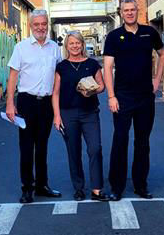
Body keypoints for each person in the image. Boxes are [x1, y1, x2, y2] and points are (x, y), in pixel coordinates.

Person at [103, 0, 164, 201]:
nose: (129, 13)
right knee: (120, 140)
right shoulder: (114, 36)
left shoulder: (149, 32)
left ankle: (141, 185)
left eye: (132, 9)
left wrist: (157, 80)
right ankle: (116, 187)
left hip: (145, 97)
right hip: (122, 97)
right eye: (125, 10)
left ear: (137, 10)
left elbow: (162, 54)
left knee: (143, 142)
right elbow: (107, 67)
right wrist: (111, 96)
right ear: (121, 13)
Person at [5, 9, 63, 203]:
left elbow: (59, 76)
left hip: (46, 103)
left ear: (47, 25)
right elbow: (13, 76)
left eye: (43, 24)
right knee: (27, 147)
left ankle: (42, 185)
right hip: (26, 102)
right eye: (36, 24)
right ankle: (27, 188)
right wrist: (10, 104)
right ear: (30, 26)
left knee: (43, 147)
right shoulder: (21, 47)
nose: (40, 27)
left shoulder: (54, 48)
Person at [52, 32, 113, 202]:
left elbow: (102, 86)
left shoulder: (92, 64)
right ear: (66, 46)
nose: (75, 46)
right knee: (74, 151)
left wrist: (93, 90)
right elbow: (55, 93)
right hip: (68, 113)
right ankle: (78, 188)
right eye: (71, 43)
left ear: (82, 44)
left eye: (77, 43)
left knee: (95, 148)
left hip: (90, 112)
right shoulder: (61, 67)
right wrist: (57, 116)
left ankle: (97, 189)